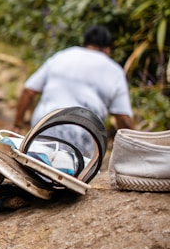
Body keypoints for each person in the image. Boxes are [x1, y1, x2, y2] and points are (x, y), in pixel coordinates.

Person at [13, 24, 134, 156]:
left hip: (43, 125)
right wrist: (133, 150)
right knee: (74, 169)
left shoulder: (63, 56)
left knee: (36, 162)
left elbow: (28, 91)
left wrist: (17, 125)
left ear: (85, 44)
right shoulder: (114, 71)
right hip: (83, 136)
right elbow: (123, 119)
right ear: (107, 50)